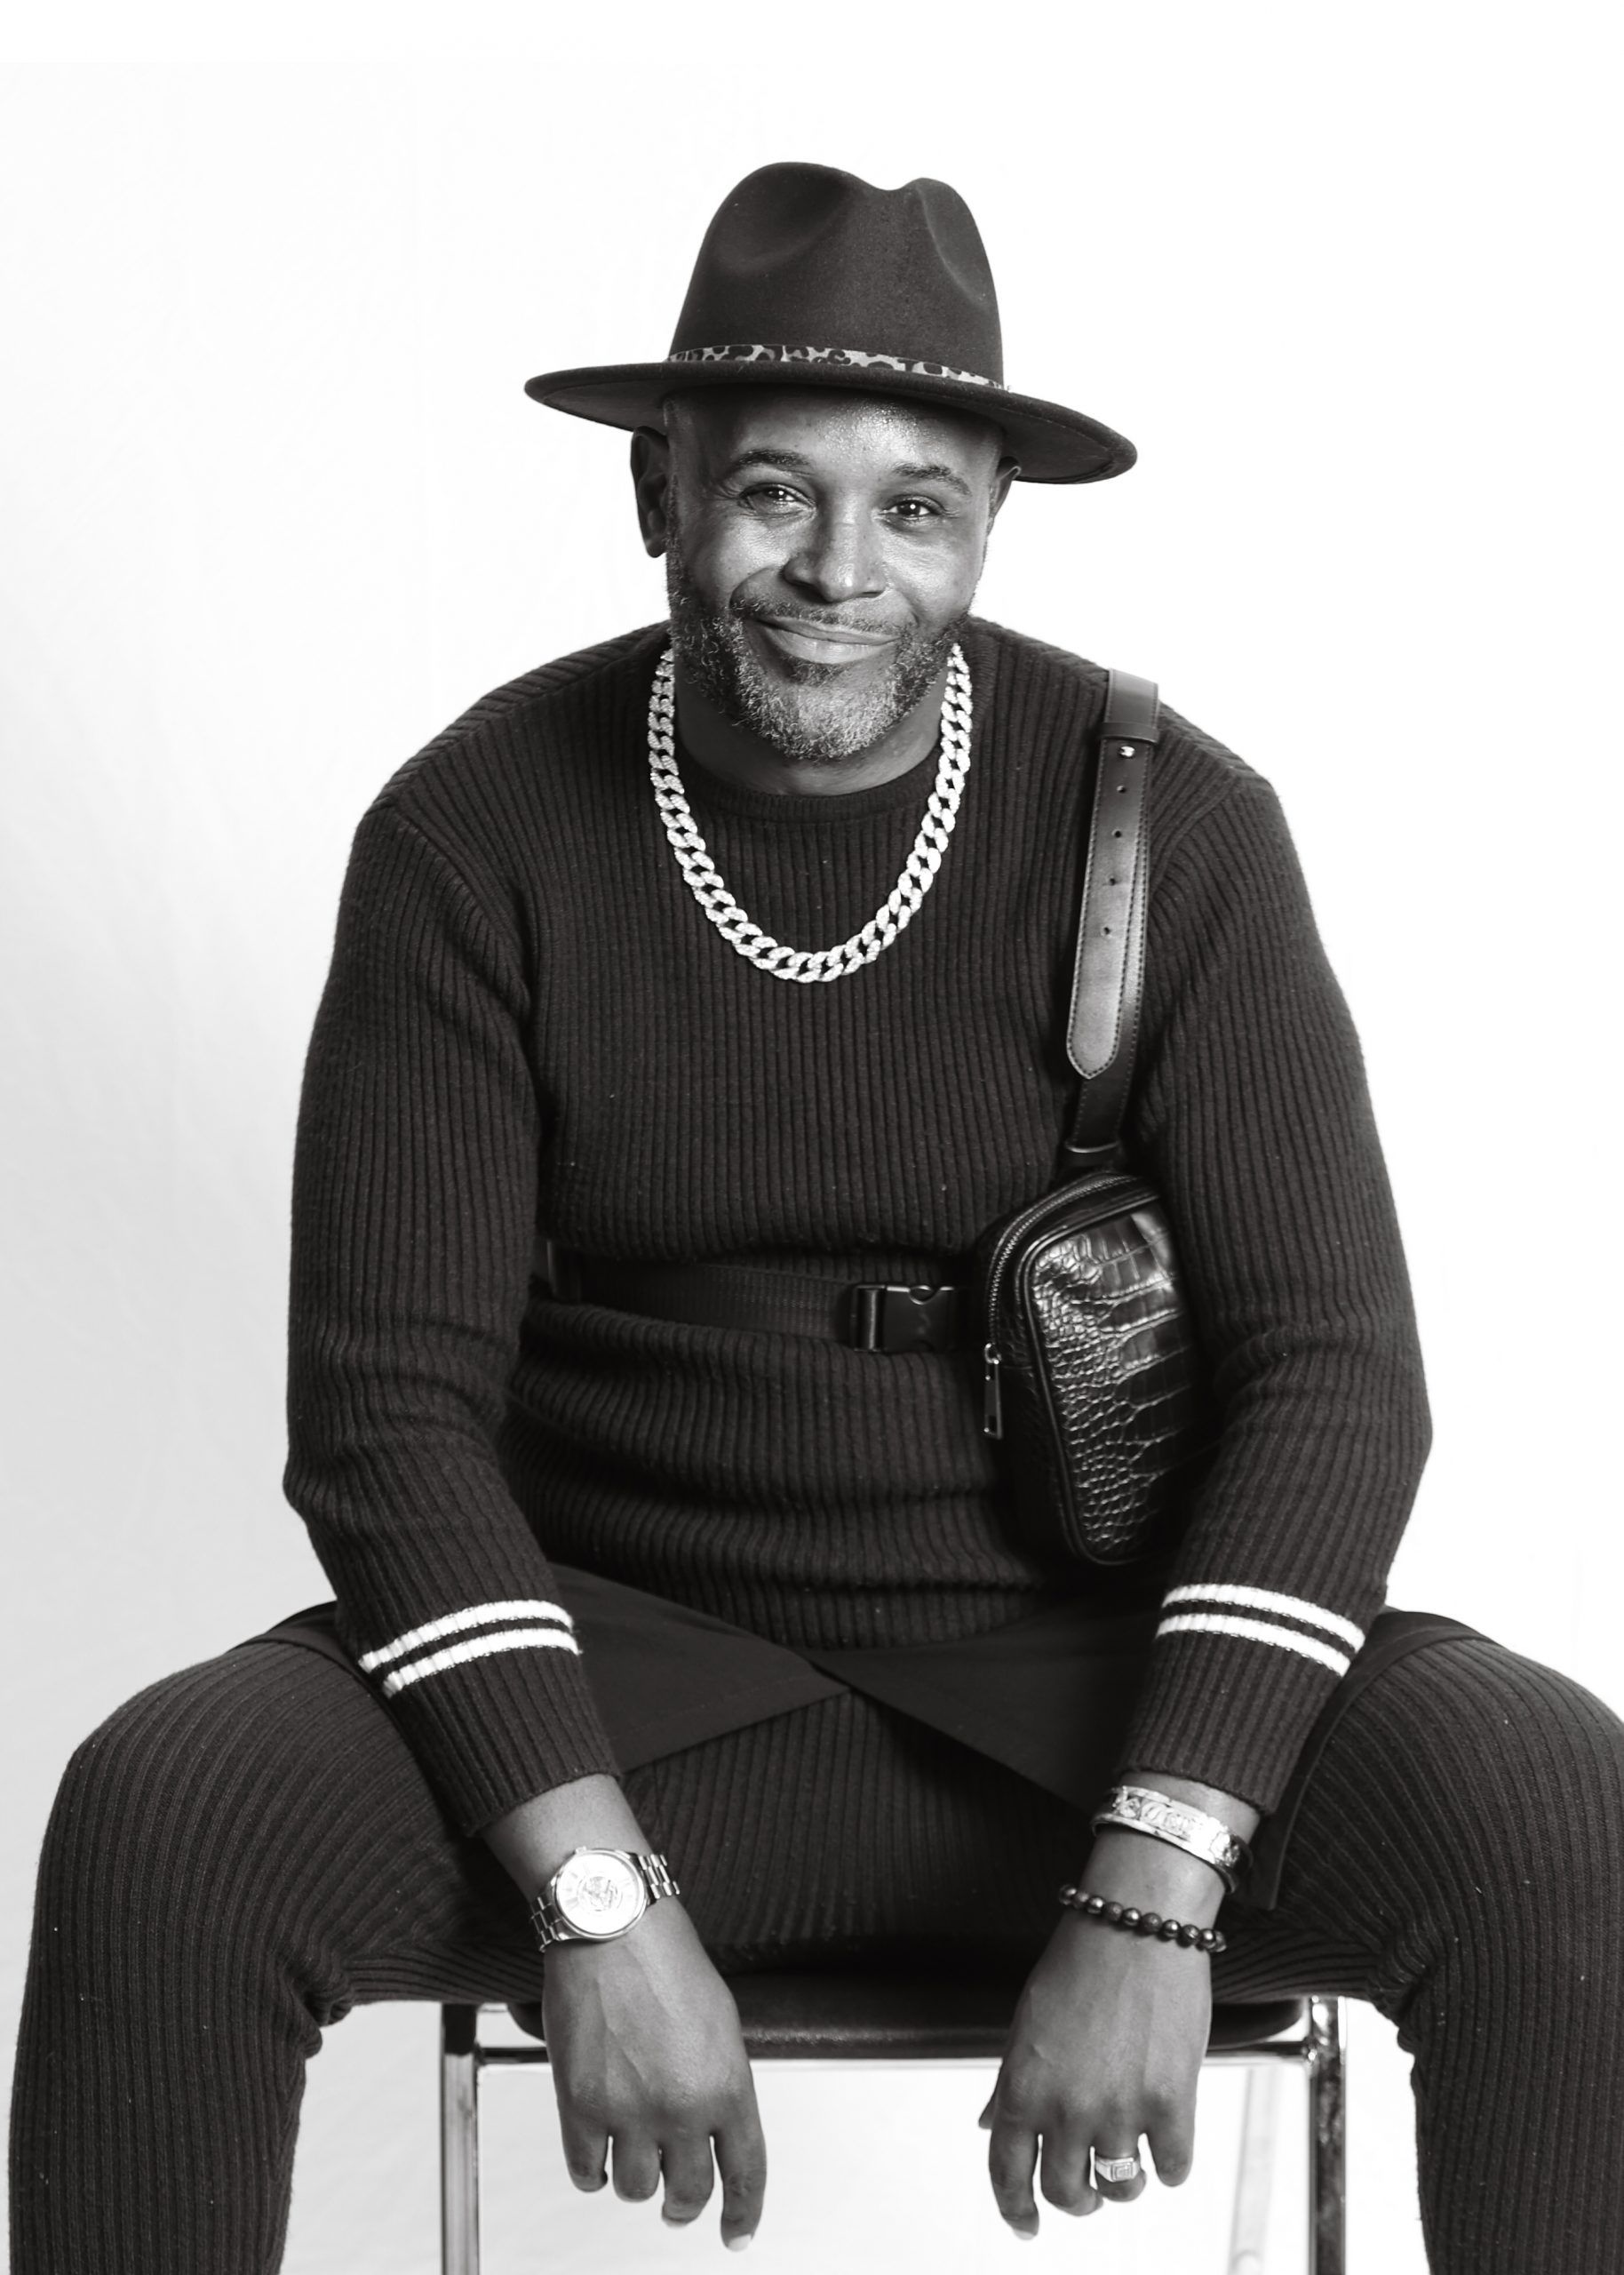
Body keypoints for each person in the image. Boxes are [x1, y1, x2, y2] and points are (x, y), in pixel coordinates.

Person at [10, 163, 1622, 2275]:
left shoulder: (1174, 823)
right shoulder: (474, 830)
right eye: (774, 493)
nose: (838, 570)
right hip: (629, 1663)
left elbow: (1335, 1382)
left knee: (1543, 1804)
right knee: (171, 1815)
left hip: (1075, 1679)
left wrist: (1157, 1871)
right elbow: (385, 1416)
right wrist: (593, 1887)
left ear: (984, 524)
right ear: (656, 493)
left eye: (913, 506)